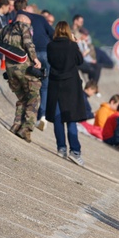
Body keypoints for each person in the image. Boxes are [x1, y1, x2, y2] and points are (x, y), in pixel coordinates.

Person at [44, 21, 87, 165]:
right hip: (70, 85)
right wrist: (75, 42)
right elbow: (80, 61)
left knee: (58, 117)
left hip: (56, 83)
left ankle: (61, 147)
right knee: (70, 117)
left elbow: (50, 61)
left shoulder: (50, 46)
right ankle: (75, 151)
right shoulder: (72, 45)